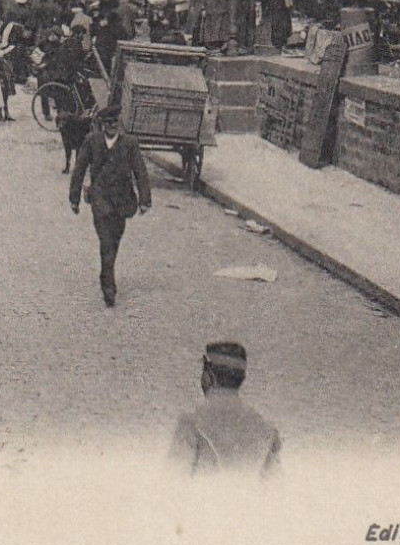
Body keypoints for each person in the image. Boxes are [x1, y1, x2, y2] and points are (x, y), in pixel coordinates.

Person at [69, 104, 152, 308]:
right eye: (108, 123)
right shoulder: (92, 141)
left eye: (115, 123)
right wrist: (74, 198)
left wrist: (144, 200)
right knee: (106, 242)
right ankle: (108, 284)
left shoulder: (130, 144)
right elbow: (79, 169)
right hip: (100, 199)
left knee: (114, 241)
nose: (112, 127)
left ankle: (107, 271)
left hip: (122, 202)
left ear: (119, 124)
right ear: (102, 125)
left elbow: (140, 171)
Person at [169, 343, 282, 478]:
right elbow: (275, 488)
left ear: (209, 375)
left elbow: (172, 484)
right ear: (241, 378)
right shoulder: (267, 430)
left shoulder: (191, 425)